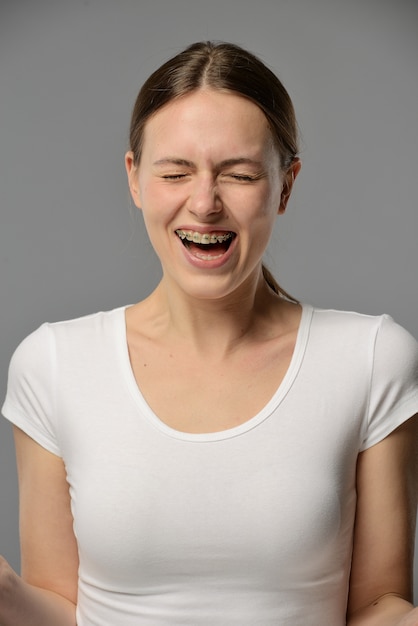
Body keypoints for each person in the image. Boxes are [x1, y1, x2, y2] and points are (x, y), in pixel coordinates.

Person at [1, 40, 418, 626]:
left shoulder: (373, 358)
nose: (203, 204)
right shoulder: (52, 363)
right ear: (135, 179)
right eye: (174, 172)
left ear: (287, 184)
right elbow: (55, 609)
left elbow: (380, 605)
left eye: (240, 175)